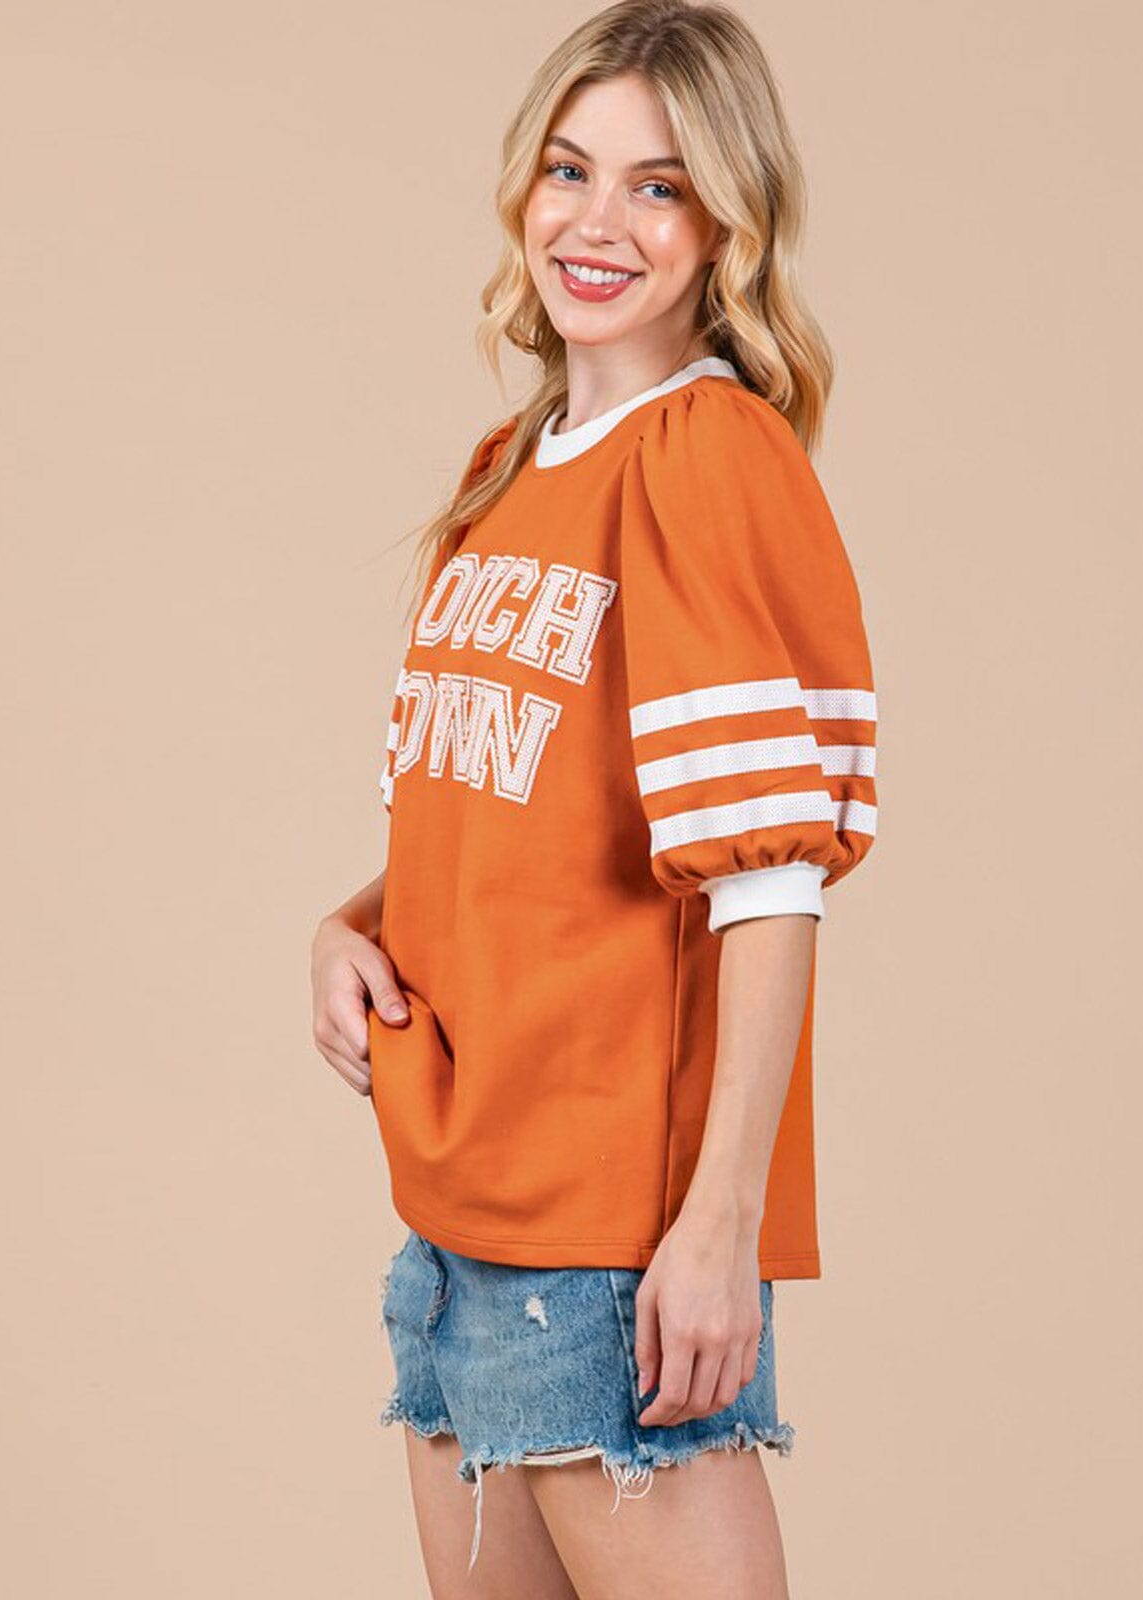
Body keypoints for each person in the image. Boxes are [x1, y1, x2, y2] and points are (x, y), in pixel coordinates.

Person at [310, 2, 879, 1592]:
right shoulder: (508, 472)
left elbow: (766, 877)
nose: (598, 221)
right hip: (456, 1232)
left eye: (660, 185)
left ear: (727, 226)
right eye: (572, 169)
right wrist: (350, 927)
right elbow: (516, 816)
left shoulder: (704, 457)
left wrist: (717, 1232)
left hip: (611, 1248)